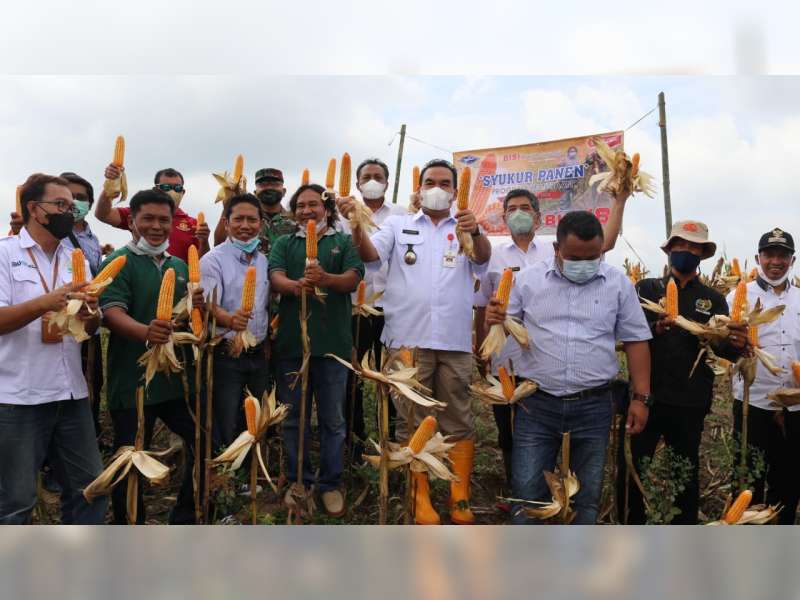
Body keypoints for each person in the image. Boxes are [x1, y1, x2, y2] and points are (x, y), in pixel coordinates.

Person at [342, 158, 492, 525]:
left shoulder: (467, 226)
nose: (437, 188)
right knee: (412, 420)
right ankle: (419, 495)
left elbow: (482, 262)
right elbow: (370, 255)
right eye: (430, 182)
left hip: (453, 339)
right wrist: (355, 225)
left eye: (444, 182)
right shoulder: (398, 224)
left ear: (455, 190)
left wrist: (479, 234)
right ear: (419, 188)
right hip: (407, 337)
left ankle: (460, 496)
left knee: (457, 416)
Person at [485, 210, 652, 525]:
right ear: (557, 249)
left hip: (594, 404)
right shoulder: (527, 280)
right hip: (536, 402)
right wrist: (493, 321)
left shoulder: (618, 283)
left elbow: (636, 341)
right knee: (527, 492)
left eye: (594, 257)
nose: (586, 264)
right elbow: (504, 330)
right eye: (575, 257)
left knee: (585, 498)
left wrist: (641, 398)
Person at [623, 220, 747, 525]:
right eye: (681, 245)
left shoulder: (714, 299)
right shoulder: (645, 289)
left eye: (694, 247)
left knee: (686, 475)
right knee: (633, 473)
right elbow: (628, 336)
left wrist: (737, 345)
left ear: (702, 254)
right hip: (646, 399)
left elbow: (723, 351)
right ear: (668, 249)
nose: (686, 251)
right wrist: (656, 327)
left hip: (690, 401)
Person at [0, 173, 107, 524]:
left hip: (70, 394)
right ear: (34, 208)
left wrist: (92, 316)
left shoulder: (74, 256)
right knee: (16, 501)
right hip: (19, 397)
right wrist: (47, 301)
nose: (69, 212)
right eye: (60, 205)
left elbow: (88, 328)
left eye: (72, 206)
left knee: (91, 489)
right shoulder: (4, 254)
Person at [98, 188, 206, 524]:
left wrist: (196, 308)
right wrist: (145, 331)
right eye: (149, 219)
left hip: (175, 382)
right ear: (132, 221)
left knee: (201, 440)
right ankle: (130, 522)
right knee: (130, 457)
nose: (157, 226)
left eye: (165, 220)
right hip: (132, 382)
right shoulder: (118, 262)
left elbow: (185, 316)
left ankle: (187, 514)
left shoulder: (180, 265)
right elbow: (111, 311)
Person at [269, 183, 364, 517]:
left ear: (327, 209)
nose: (307, 211)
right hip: (293, 346)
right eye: (300, 206)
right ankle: (300, 482)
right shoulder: (284, 243)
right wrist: (298, 286)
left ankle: (330, 483)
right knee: (293, 418)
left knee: (333, 420)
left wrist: (324, 278)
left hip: (333, 347)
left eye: (313, 205)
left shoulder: (342, 242)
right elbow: (275, 277)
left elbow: (353, 278)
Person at [337, 158, 407, 462]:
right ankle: (354, 442)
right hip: (354, 307)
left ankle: (392, 441)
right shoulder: (340, 215)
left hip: (393, 308)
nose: (372, 180)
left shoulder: (402, 215)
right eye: (367, 176)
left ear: (388, 183)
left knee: (392, 378)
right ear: (357, 182)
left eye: (378, 176)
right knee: (351, 376)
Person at [728, 228, 799, 524]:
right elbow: (723, 348)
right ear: (758, 257)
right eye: (769, 254)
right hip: (752, 403)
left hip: (795, 405)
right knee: (748, 479)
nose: (775, 261)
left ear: (792, 260)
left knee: (789, 479)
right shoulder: (737, 296)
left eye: (783, 255)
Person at [201, 194, 269, 450]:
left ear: (260, 224)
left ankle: (248, 477)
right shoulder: (212, 260)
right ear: (226, 224)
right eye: (238, 219)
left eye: (252, 219)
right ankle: (223, 478)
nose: (245, 225)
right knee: (225, 417)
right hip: (226, 352)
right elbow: (206, 304)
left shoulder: (263, 261)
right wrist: (228, 319)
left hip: (257, 351)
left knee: (254, 418)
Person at [94, 165, 210, 261]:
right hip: (141, 277)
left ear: (183, 192)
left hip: (178, 284)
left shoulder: (193, 224)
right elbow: (104, 214)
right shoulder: (141, 212)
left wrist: (204, 242)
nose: (172, 191)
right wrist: (111, 183)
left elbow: (202, 263)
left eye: (177, 188)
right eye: (166, 187)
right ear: (155, 189)